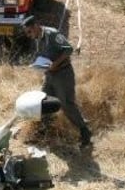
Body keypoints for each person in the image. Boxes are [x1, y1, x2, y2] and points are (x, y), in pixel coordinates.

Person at [23, 16, 92, 149]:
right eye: (27, 33)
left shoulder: (52, 34)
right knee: (43, 102)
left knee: (66, 104)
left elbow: (69, 49)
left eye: (29, 31)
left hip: (63, 74)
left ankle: (85, 132)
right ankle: (43, 132)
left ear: (36, 26)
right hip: (50, 75)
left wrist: (56, 63)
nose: (29, 35)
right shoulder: (37, 38)